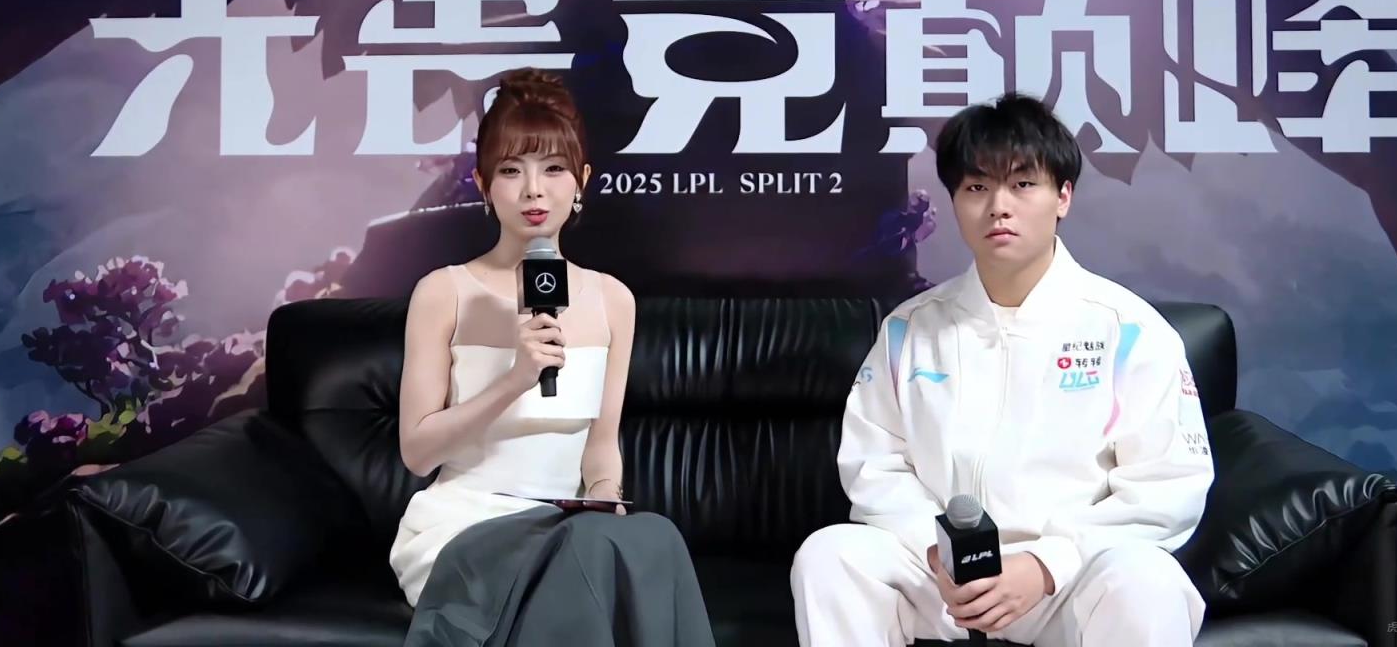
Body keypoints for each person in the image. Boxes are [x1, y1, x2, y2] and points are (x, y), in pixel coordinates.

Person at [791, 93, 1215, 647]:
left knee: (1147, 580)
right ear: (954, 202)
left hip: (1068, 579)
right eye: (976, 188)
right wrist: (936, 552)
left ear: (1063, 196)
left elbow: (1166, 486)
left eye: (1023, 184)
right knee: (831, 556)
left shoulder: (1129, 330)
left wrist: (1044, 565)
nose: (998, 206)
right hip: (940, 577)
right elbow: (876, 464)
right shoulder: (909, 329)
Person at [389, 69, 715, 647]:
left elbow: (601, 448)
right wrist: (514, 379)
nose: (533, 191)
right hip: (464, 526)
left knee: (652, 538)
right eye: (511, 170)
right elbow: (417, 453)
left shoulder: (613, 300)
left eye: (554, 169)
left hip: (568, 527)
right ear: (483, 184)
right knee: (584, 560)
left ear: (581, 180)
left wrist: (606, 496)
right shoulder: (444, 292)